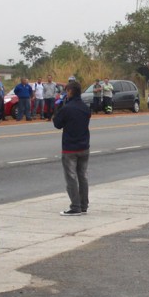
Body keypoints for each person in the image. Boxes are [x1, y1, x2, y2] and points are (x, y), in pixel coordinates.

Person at [53, 79, 91, 216]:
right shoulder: (85, 108)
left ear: (70, 91)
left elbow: (57, 124)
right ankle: (84, 205)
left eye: (67, 91)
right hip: (84, 146)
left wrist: (58, 108)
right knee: (83, 177)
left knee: (71, 178)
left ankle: (75, 207)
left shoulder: (67, 108)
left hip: (70, 147)